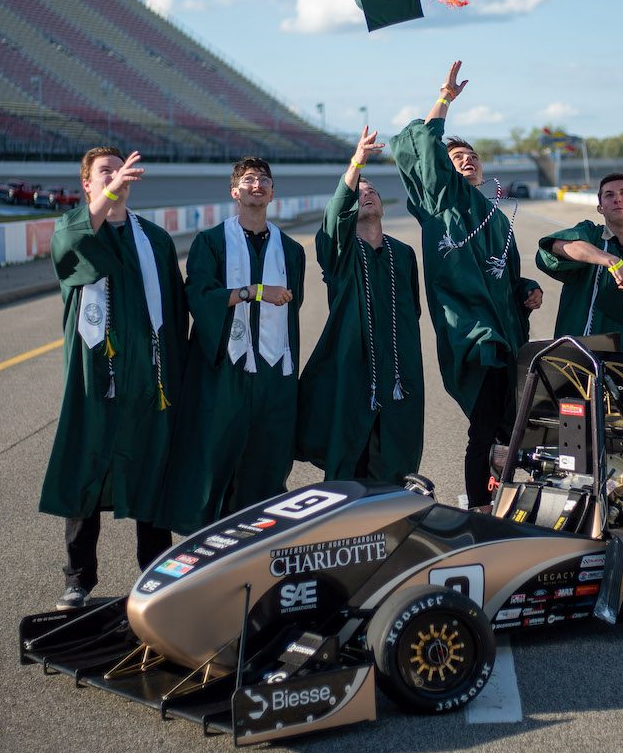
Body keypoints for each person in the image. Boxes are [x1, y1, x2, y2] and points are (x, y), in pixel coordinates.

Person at [389, 61, 542, 510]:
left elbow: (507, 274)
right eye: (457, 158)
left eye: (472, 156)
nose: (467, 160)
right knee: (487, 421)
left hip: (503, 329)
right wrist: (444, 99)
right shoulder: (441, 202)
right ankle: (478, 505)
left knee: (503, 422)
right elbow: (423, 146)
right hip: (471, 331)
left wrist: (526, 289)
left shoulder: (496, 217)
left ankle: (501, 496)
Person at [40, 147, 187, 609]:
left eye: (120, 169)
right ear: (87, 184)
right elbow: (68, 251)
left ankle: (158, 573)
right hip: (94, 382)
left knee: (151, 471)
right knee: (87, 468)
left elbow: (175, 313)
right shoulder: (74, 231)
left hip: (148, 380)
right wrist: (107, 196)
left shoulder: (156, 241)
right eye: (105, 171)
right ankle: (78, 580)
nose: (117, 176)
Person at [156, 157, 305, 535]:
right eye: (250, 179)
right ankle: (203, 544)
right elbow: (199, 296)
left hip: (274, 374)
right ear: (234, 191)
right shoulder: (210, 242)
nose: (258, 185)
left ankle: (260, 542)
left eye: (265, 180)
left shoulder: (291, 250)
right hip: (223, 369)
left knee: (267, 462)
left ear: (273, 193)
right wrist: (253, 292)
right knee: (212, 457)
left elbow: (292, 308)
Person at [298, 128, 424, 482]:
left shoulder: (404, 253)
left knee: (397, 456)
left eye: (373, 192)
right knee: (349, 460)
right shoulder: (340, 251)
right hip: (354, 371)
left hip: (400, 370)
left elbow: (411, 310)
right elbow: (335, 213)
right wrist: (356, 165)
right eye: (360, 192)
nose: (367, 195)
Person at [535, 172, 623, 352]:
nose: (618, 199)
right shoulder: (590, 237)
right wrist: (612, 261)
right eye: (609, 195)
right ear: (600, 208)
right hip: (582, 360)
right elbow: (556, 246)